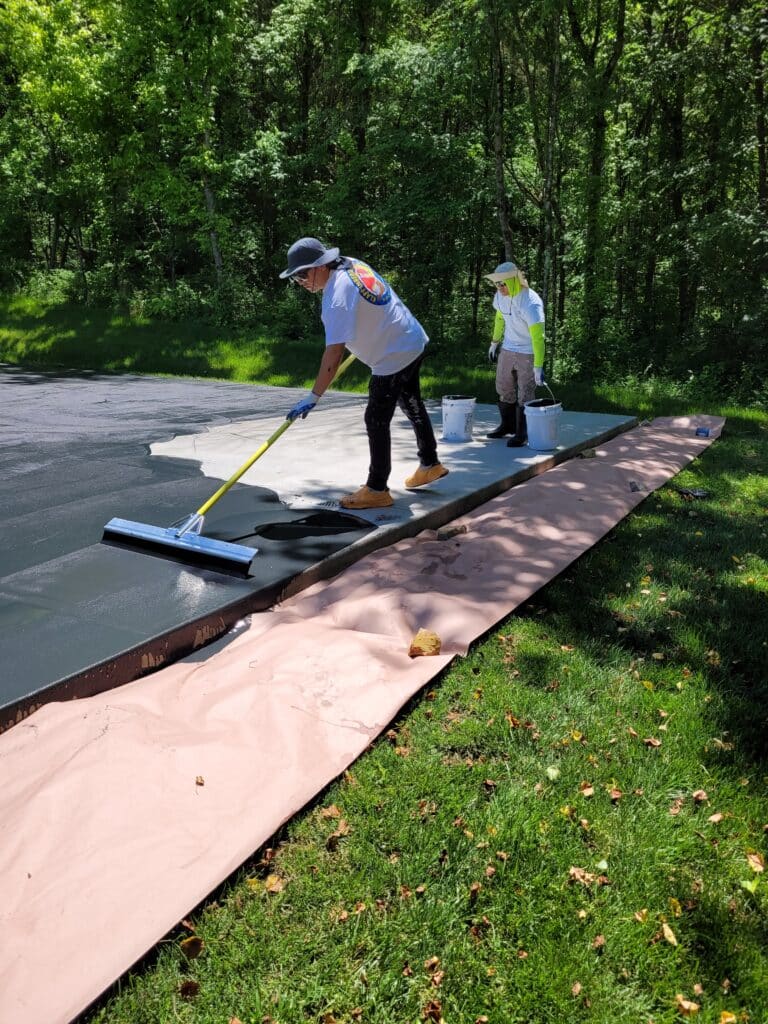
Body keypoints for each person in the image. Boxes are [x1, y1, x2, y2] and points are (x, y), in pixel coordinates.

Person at [279, 237, 448, 510]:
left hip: (392, 356)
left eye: (301, 274)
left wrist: (313, 396)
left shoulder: (336, 296)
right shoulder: (351, 264)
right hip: (411, 339)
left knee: (375, 419)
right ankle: (429, 463)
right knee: (411, 401)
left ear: (319, 266)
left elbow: (333, 355)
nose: (300, 282)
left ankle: (377, 488)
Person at [485, 261, 546, 447]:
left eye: (503, 283)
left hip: (527, 351)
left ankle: (522, 433)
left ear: (514, 280)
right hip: (508, 348)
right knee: (504, 387)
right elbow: (499, 317)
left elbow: (538, 337)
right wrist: (494, 342)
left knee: (525, 393)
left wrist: (538, 366)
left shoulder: (530, 302)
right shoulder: (500, 296)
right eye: (497, 284)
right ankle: (507, 426)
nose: (500, 287)